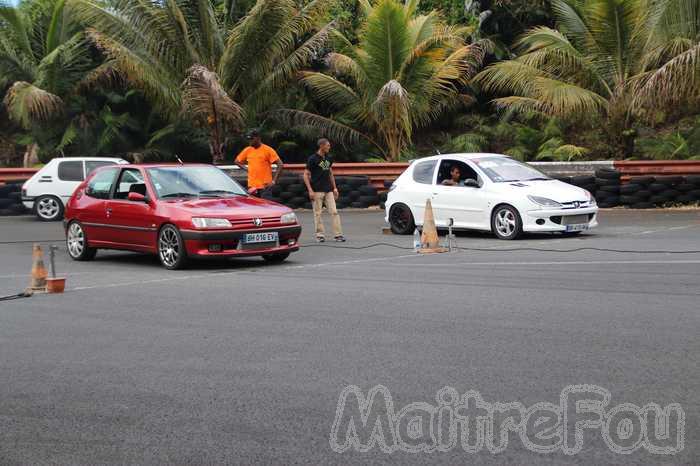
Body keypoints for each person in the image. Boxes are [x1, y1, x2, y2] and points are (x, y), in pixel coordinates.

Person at [304, 138, 345, 242]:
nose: (329, 147)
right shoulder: (312, 159)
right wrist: (310, 191)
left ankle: (338, 235)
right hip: (317, 190)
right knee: (318, 213)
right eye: (328, 145)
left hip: (328, 190)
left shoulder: (329, 158)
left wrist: (335, 188)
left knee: (334, 212)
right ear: (321, 146)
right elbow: (305, 175)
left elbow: (330, 173)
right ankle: (320, 235)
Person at [234, 130, 284, 196]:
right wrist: (247, 169)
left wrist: (274, 181)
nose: (250, 141)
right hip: (252, 187)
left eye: (252, 139)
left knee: (266, 206)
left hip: (265, 187)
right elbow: (237, 161)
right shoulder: (247, 150)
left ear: (258, 138)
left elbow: (280, 164)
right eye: (248, 139)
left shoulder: (268, 150)